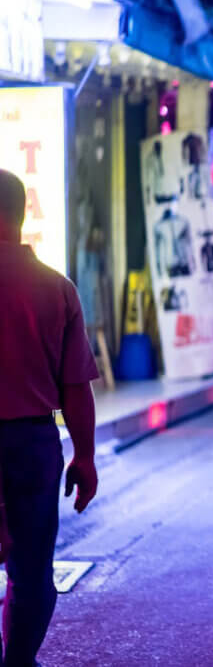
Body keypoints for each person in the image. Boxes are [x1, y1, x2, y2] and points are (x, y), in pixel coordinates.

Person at [0, 169, 99, 666]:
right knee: (31, 572)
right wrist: (85, 457)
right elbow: (75, 388)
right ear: (22, 216)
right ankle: (17, 661)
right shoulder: (56, 289)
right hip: (32, 446)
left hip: (29, 445)